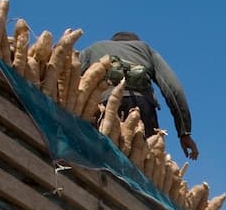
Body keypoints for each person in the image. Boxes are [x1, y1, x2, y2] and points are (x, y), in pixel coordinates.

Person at [77, 31, 200, 160]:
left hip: (103, 107)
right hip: (142, 110)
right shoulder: (146, 50)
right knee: (142, 163)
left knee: (98, 156)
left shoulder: (95, 48)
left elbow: (68, 70)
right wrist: (184, 132)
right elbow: (174, 89)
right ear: (135, 42)